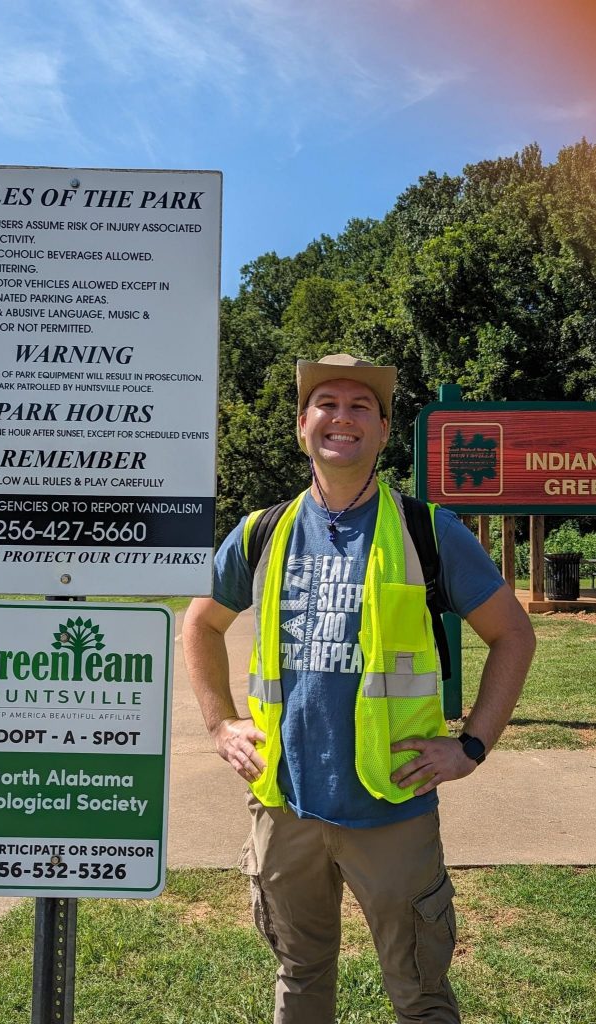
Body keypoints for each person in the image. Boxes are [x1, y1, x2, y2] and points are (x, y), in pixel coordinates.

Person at [182, 353, 536, 1024]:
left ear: (380, 431)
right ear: (301, 426)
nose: (340, 417)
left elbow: (512, 635)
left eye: (359, 407)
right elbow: (199, 625)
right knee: (299, 979)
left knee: (419, 994)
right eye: (326, 404)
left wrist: (472, 746)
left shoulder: (428, 531)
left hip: (391, 813)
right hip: (284, 808)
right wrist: (219, 724)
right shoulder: (262, 531)